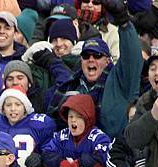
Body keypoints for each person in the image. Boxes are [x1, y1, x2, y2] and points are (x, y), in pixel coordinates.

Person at [44, 0, 143, 138]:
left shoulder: (121, 82)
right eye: (86, 55)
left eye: (97, 55)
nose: (91, 59)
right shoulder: (69, 85)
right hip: (74, 151)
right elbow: (52, 124)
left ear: (107, 61)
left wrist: (125, 23)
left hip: (114, 151)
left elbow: (132, 58)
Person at [42, 94, 115, 167]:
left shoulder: (98, 137)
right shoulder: (62, 136)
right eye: (70, 117)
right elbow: (46, 154)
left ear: (88, 118)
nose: (73, 121)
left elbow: (103, 158)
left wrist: (80, 162)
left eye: (79, 117)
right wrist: (60, 162)